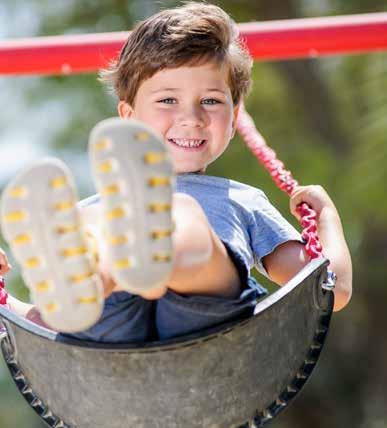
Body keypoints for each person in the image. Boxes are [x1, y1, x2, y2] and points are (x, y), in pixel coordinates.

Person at [0, 2, 352, 342]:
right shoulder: (97, 210)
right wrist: (6, 304)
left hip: (208, 318)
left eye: (211, 101)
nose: (191, 117)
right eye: (168, 100)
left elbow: (326, 288)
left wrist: (326, 220)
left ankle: (141, 253)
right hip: (110, 329)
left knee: (181, 216)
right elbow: (41, 328)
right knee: (89, 225)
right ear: (129, 116)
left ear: (234, 117)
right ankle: (103, 273)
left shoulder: (242, 200)